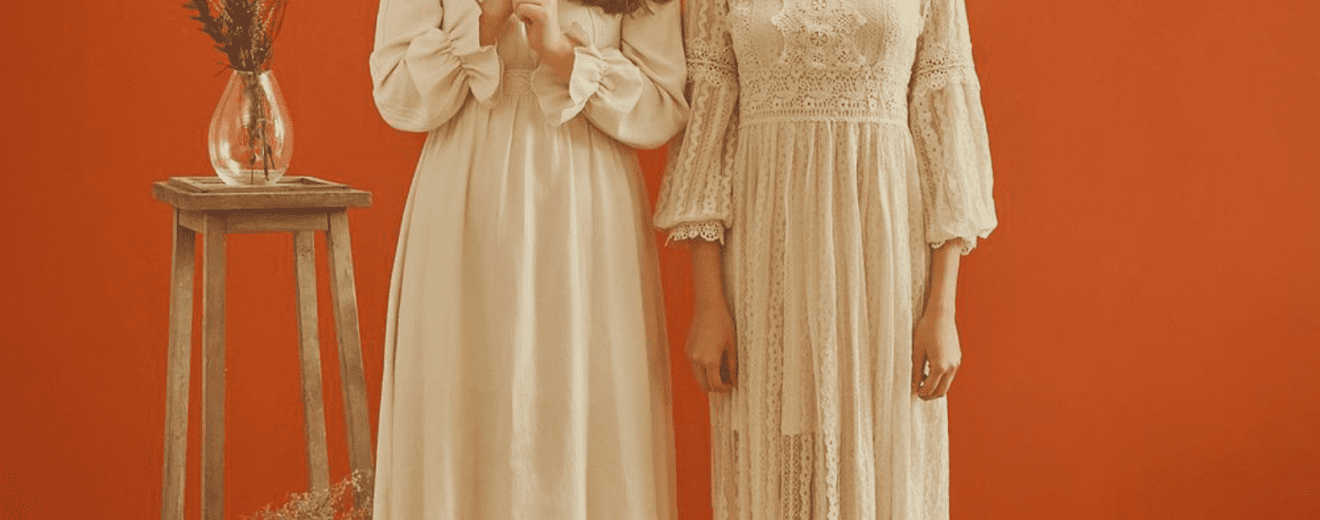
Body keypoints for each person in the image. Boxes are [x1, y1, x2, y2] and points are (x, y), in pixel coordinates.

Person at [654, 0, 998, 517]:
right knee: (774, 464)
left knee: (881, 458)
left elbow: (947, 135)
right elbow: (707, 133)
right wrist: (709, 304)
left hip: (882, 259)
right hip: (766, 256)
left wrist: (942, 310)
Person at [367, 0, 688, 516]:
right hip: (466, 197)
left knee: (583, 393)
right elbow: (396, 91)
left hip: (585, 207)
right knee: (463, 391)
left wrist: (562, 55)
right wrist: (485, 24)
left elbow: (663, 103)